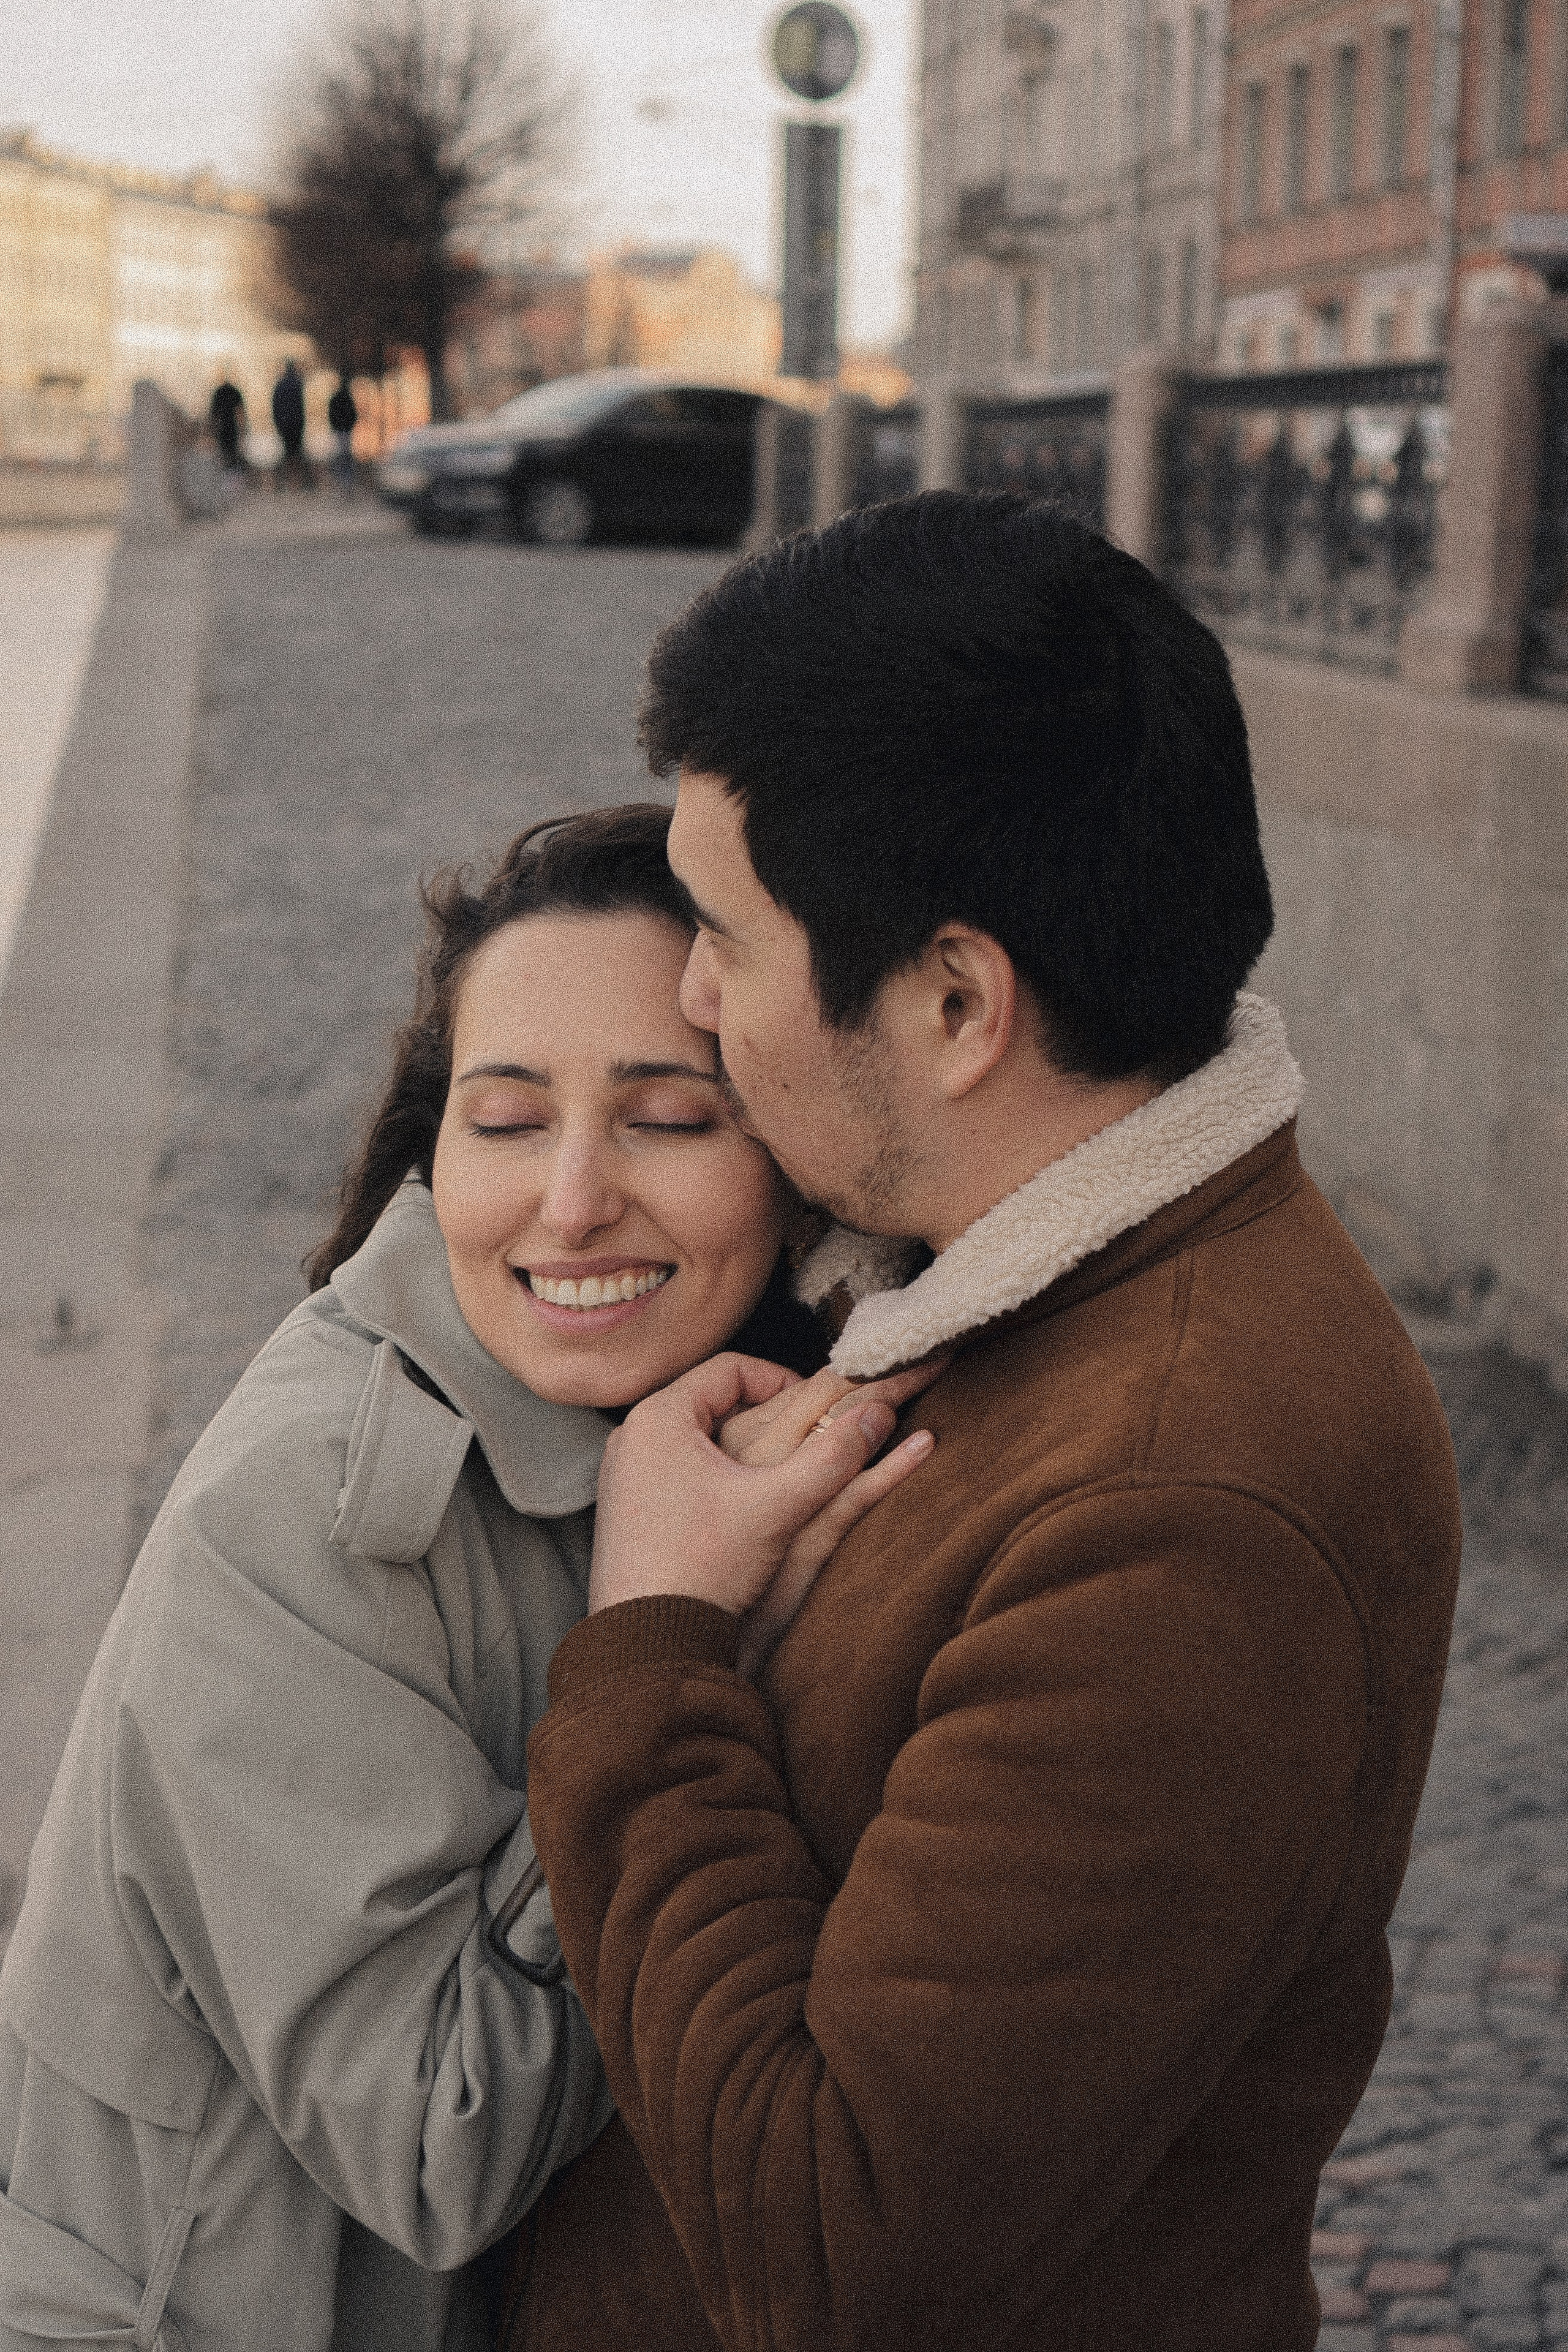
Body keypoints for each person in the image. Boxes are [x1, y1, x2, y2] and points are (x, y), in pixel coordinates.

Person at [502, 496, 1464, 2352]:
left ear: (953, 999)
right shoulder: (989, 1273)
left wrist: (649, 1646)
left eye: (725, 935)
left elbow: (833, 2247)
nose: (691, 1001)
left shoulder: (1185, 1508)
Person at [0, 806, 933, 2351]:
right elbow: (443, 2139)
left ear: (799, 1158)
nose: (570, 1198)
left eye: (670, 1118)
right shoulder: (303, 1513)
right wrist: (668, 1648)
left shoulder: (738, 1419)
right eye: (505, 1120)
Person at [271, 356, 308, 491]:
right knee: (297, 455)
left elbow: (275, 407)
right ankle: (297, 482)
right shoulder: (299, 384)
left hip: (285, 425)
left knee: (288, 455)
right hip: (298, 425)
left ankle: (291, 483)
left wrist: (278, 425)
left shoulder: (279, 385)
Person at [328, 375, 358, 494]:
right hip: (346, 431)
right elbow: (354, 415)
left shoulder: (335, 399)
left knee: (341, 457)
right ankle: (347, 483)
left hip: (340, 431)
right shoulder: (348, 398)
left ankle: (343, 482)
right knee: (345, 457)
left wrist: (336, 426)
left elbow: (331, 415)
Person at [208, 377, 246, 472]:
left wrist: (213, 431)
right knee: (233, 453)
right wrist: (242, 431)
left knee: (225, 454)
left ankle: (227, 472)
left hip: (223, 428)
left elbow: (214, 414)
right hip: (232, 428)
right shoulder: (234, 392)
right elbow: (240, 412)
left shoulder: (219, 392)